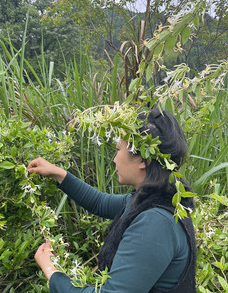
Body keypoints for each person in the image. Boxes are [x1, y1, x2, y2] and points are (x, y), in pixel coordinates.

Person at [28, 107, 196, 293]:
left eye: (118, 150)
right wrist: (59, 174)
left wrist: (51, 272)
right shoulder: (156, 199)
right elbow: (100, 202)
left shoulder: (156, 223)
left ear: (142, 159)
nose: (115, 159)